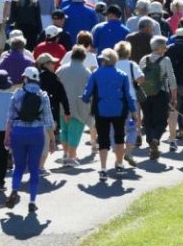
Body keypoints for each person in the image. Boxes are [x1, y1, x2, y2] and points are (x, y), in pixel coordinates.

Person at [4, 66, 55, 211]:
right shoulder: (43, 96)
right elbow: (48, 122)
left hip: (18, 133)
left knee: (18, 166)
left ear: (25, 78)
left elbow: (10, 118)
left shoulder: (17, 94)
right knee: (34, 168)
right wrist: (52, 140)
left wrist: (7, 135)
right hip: (36, 134)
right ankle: (32, 201)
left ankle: (14, 189)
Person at [82, 49, 137, 181]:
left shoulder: (96, 74)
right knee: (119, 137)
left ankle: (103, 169)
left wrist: (84, 98)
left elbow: (87, 93)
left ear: (105, 61)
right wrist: (133, 111)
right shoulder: (122, 75)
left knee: (103, 139)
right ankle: (119, 164)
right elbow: (128, 95)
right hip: (119, 110)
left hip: (101, 110)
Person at [139, 36, 178, 159]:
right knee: (161, 120)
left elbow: (139, 79)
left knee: (148, 119)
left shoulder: (143, 59)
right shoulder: (166, 60)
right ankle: (155, 139)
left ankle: (151, 142)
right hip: (160, 93)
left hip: (145, 94)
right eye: (165, 46)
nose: (166, 49)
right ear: (160, 48)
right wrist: (174, 97)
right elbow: (172, 79)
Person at [57, 46, 93, 165]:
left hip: (62, 106)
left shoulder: (61, 69)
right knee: (75, 132)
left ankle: (66, 154)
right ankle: (71, 157)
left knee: (65, 131)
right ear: (83, 58)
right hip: (79, 106)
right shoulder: (87, 72)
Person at [36, 53, 70, 172]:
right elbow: (63, 96)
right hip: (51, 114)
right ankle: (40, 167)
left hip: (35, 116)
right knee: (46, 142)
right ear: (45, 64)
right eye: (52, 63)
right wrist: (67, 111)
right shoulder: (54, 78)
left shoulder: (35, 78)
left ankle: (34, 163)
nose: (54, 65)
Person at [114, 41, 144, 165]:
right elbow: (141, 78)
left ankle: (118, 158)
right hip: (131, 99)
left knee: (118, 128)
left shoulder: (113, 64)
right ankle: (128, 152)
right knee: (134, 127)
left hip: (115, 100)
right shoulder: (132, 65)